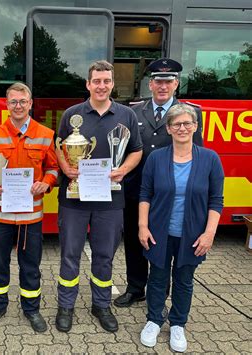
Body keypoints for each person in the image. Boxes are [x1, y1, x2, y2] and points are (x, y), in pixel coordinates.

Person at [55, 60, 143, 333]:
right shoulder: (72, 114)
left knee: (104, 255)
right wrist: (65, 166)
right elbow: (59, 147)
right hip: (74, 200)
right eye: (97, 81)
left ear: (112, 84)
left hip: (111, 200)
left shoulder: (126, 115)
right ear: (88, 84)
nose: (101, 86)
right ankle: (65, 306)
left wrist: (122, 171)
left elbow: (136, 150)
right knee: (69, 255)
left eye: (106, 81)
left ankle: (101, 305)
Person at [115, 58, 204, 308]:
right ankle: (135, 288)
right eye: (158, 81)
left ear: (176, 84)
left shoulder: (190, 114)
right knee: (134, 241)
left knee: (162, 243)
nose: (163, 86)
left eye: (168, 81)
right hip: (135, 190)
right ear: (150, 84)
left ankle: (160, 292)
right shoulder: (134, 111)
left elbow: (196, 153)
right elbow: (125, 149)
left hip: (169, 194)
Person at [138, 103, 224, 352]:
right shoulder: (156, 157)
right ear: (169, 128)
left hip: (193, 235)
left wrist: (209, 233)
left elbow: (216, 200)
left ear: (195, 126)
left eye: (188, 123)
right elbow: (145, 193)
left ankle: (178, 324)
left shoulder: (209, 159)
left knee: (184, 280)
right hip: (159, 232)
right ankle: (154, 320)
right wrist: (143, 226)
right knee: (157, 278)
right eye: (177, 124)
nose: (183, 128)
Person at [0, 82, 58, 333]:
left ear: (30, 103)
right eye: (13, 101)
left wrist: (45, 184)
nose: (18, 106)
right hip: (0, 216)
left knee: (31, 265)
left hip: (30, 216)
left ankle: (32, 309)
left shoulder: (45, 134)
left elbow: (53, 169)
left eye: (22, 101)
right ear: (7, 104)